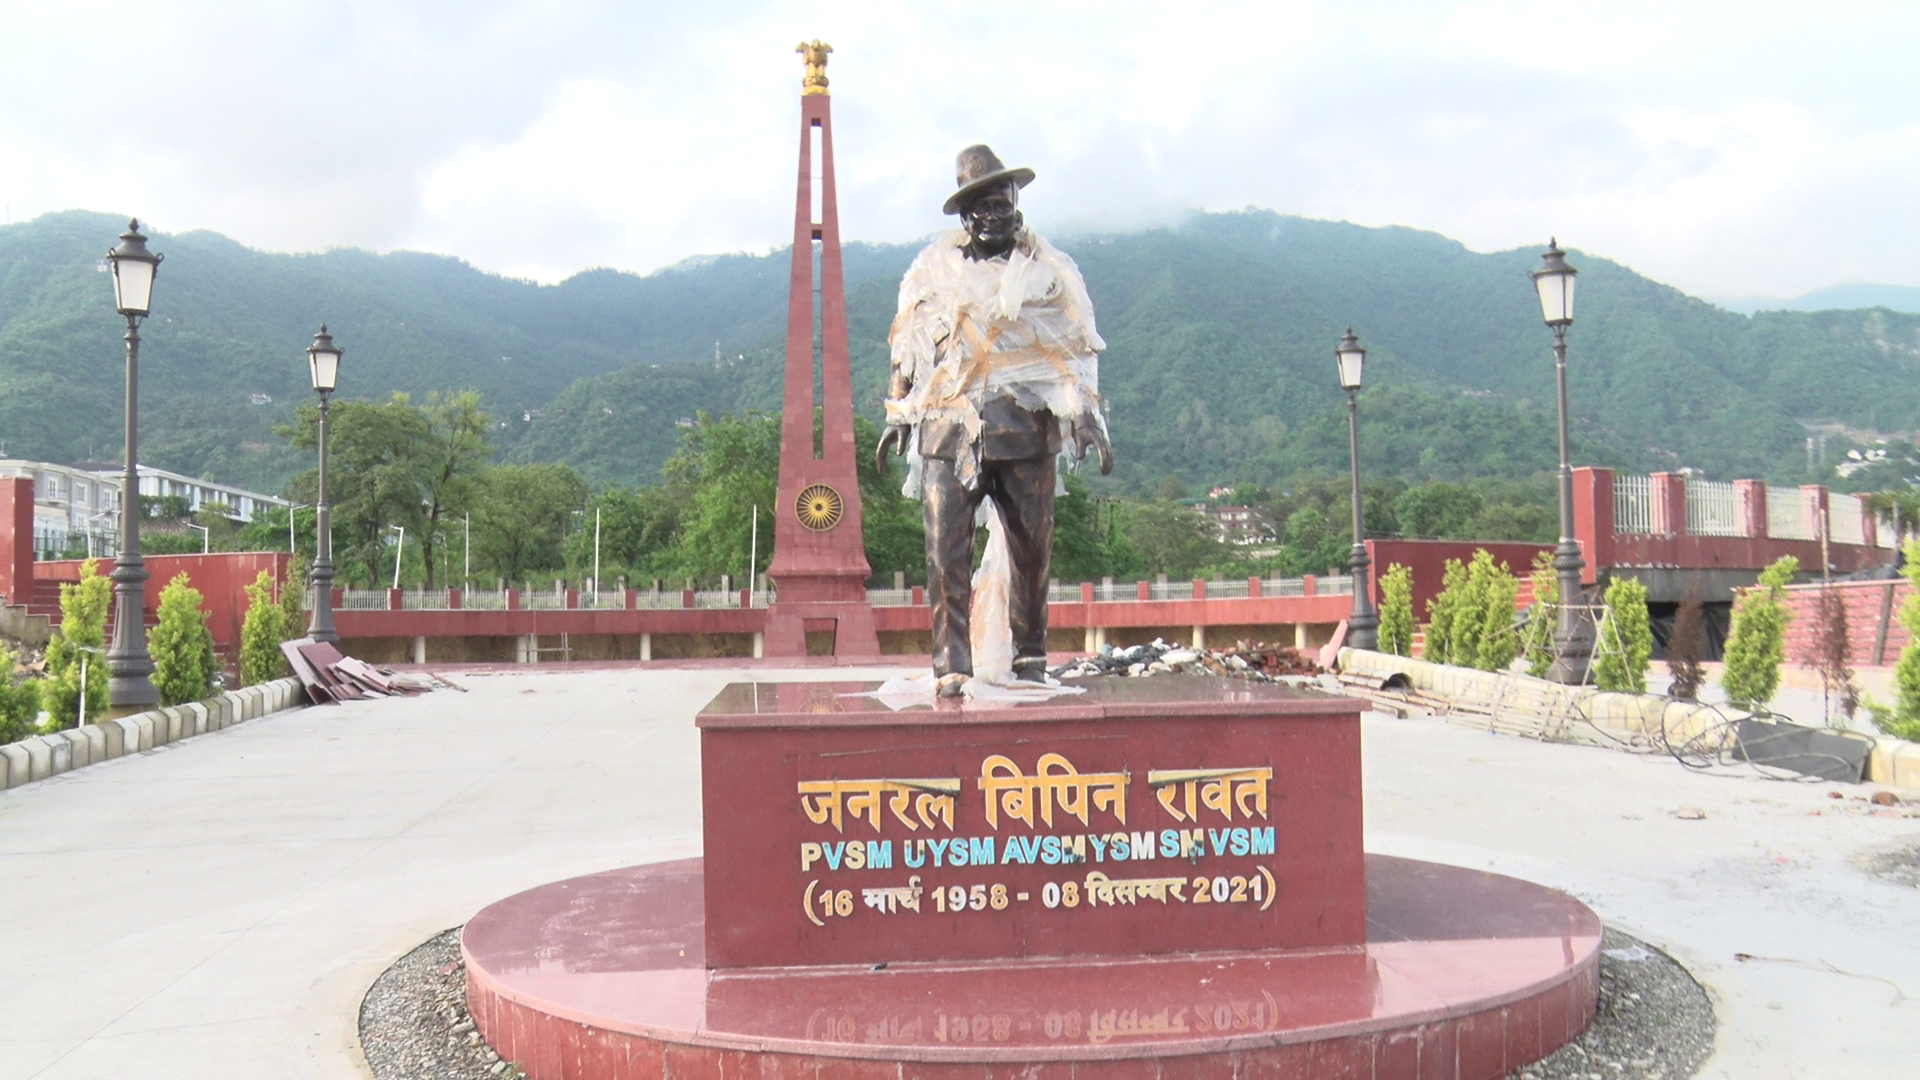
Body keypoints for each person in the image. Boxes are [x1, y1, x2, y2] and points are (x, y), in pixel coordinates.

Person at [878, 145, 1113, 695]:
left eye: (1000, 203)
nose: (991, 215)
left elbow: (1074, 353)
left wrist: (1088, 419)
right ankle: (951, 664)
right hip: (948, 429)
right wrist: (897, 411)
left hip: (1024, 428)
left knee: (1033, 551)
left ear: (1016, 207)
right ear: (964, 217)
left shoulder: (1051, 278)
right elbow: (909, 346)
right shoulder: (931, 276)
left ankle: (1031, 655)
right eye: (979, 206)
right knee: (944, 552)